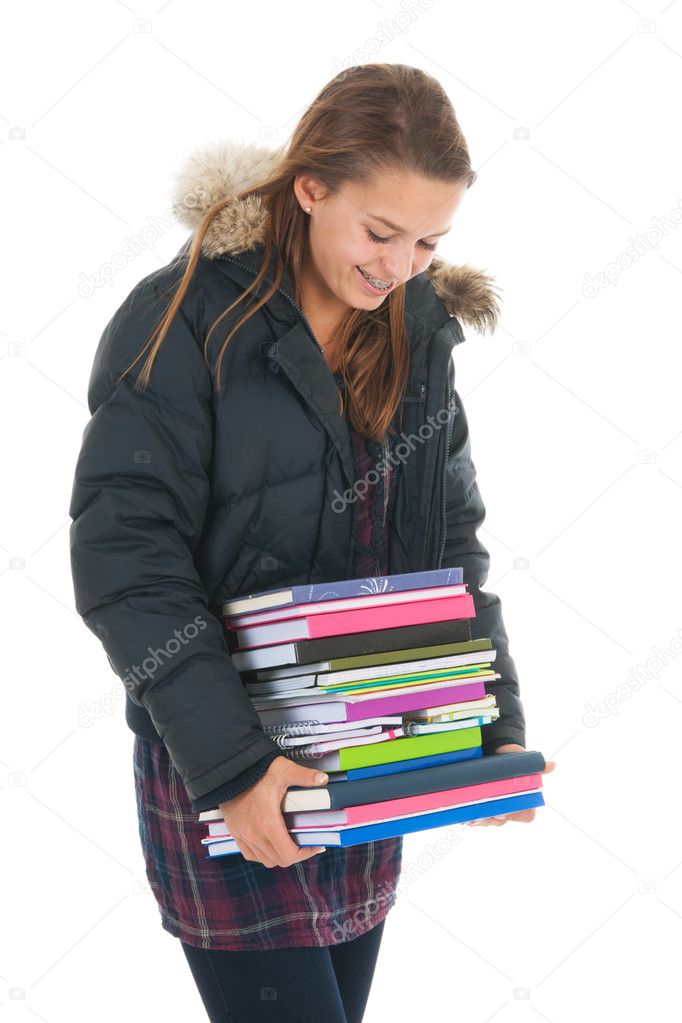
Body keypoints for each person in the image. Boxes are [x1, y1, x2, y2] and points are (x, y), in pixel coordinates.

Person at [69, 63, 552, 1023]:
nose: (401, 265)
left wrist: (491, 720)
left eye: (428, 241)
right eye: (380, 233)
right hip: (228, 771)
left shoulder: (416, 329)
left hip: (379, 755)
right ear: (310, 186)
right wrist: (236, 769)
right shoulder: (185, 318)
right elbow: (128, 560)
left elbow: (451, 543)